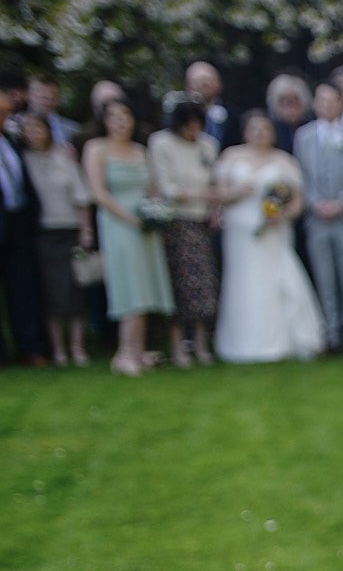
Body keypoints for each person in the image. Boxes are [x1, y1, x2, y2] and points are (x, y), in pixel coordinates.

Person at [214, 110, 324, 362]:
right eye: (254, 129)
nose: (259, 134)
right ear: (245, 132)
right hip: (240, 231)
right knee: (243, 283)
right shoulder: (231, 156)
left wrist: (281, 215)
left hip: (274, 230)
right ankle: (242, 342)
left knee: (274, 280)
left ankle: (280, 340)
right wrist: (238, 191)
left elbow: (297, 201)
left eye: (265, 130)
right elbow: (219, 195)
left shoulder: (284, 161)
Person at [82, 99, 173, 376]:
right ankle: (123, 353)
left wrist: (154, 213)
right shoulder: (96, 148)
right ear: (105, 121)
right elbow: (98, 192)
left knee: (145, 286)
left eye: (126, 115)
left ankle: (138, 350)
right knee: (129, 286)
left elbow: (153, 188)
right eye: (114, 116)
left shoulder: (140, 150)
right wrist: (129, 218)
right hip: (118, 224)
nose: (121, 121)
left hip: (145, 225)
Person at [294, 82, 343, 354]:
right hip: (317, 218)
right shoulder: (304, 136)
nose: (327, 105)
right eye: (321, 100)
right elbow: (301, 174)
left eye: (332, 100)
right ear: (314, 104)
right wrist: (315, 204)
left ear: (341, 103)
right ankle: (331, 334)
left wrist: (342, 203)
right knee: (324, 279)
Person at [147, 100, 221, 366]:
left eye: (197, 124)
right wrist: (200, 195)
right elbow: (167, 187)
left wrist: (213, 205)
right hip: (175, 223)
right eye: (188, 124)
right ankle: (178, 347)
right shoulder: (161, 143)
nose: (194, 130)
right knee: (178, 286)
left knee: (204, 286)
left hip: (202, 223)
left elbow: (215, 180)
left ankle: (201, 345)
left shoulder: (208, 145)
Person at [19, 113, 92, 365]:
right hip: (43, 234)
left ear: (48, 130)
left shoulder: (64, 157)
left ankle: (78, 348)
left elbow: (81, 197)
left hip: (69, 230)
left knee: (75, 291)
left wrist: (86, 230)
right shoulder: (23, 160)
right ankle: (58, 350)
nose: (33, 133)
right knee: (52, 294)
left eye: (38, 128)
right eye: (28, 129)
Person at [1, 75, 48, 367]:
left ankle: (29, 348)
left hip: (18, 222)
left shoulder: (10, 141)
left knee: (23, 286)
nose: (7, 118)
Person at [185, 62, 238, 150]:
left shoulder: (234, 115)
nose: (204, 85)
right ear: (188, 86)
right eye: (199, 81)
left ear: (220, 84)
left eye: (209, 80)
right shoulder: (180, 115)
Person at [28, 77, 79, 150]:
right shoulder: (13, 124)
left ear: (58, 100)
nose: (45, 103)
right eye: (42, 97)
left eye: (51, 98)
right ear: (29, 96)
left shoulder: (73, 130)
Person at [267, 73, 312, 154]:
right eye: (283, 100)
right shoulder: (270, 128)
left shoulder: (312, 126)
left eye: (294, 99)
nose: (289, 104)